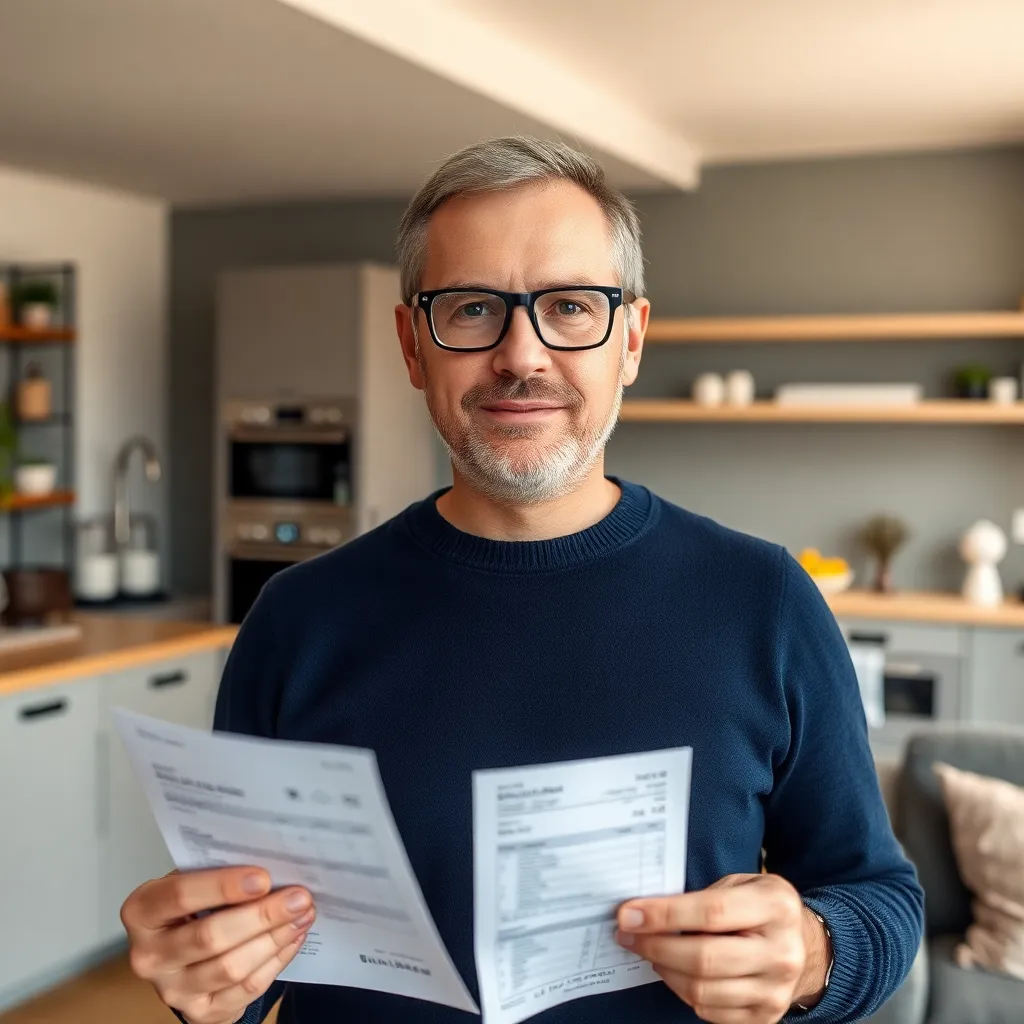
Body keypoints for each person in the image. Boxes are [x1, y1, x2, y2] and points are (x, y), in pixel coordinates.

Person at [120, 136, 924, 1024]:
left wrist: (814, 953)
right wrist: (205, 979)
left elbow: (879, 897)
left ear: (631, 339)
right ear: (412, 345)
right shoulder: (298, 619)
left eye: (571, 306)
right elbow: (249, 962)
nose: (521, 355)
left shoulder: (763, 603)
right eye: (470, 310)